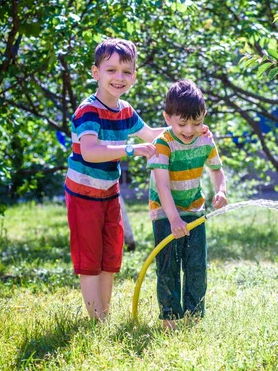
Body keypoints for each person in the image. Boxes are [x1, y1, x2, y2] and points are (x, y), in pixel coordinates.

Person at [65, 38, 161, 320]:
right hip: (83, 194)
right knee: (89, 258)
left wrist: (187, 128)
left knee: (110, 256)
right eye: (111, 70)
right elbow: (91, 151)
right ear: (96, 73)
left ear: (134, 76)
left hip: (109, 193)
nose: (120, 77)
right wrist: (132, 149)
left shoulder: (126, 111)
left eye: (127, 71)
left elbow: (153, 135)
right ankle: (97, 320)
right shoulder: (88, 110)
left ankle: (102, 317)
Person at [147, 79, 227, 330]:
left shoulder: (205, 139)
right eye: (182, 123)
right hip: (164, 213)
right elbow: (162, 186)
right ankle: (170, 319)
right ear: (168, 117)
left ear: (203, 116)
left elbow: (217, 171)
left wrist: (221, 191)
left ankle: (193, 317)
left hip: (194, 210)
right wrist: (173, 219)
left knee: (195, 266)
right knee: (169, 266)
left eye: (197, 122)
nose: (190, 129)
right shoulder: (163, 143)